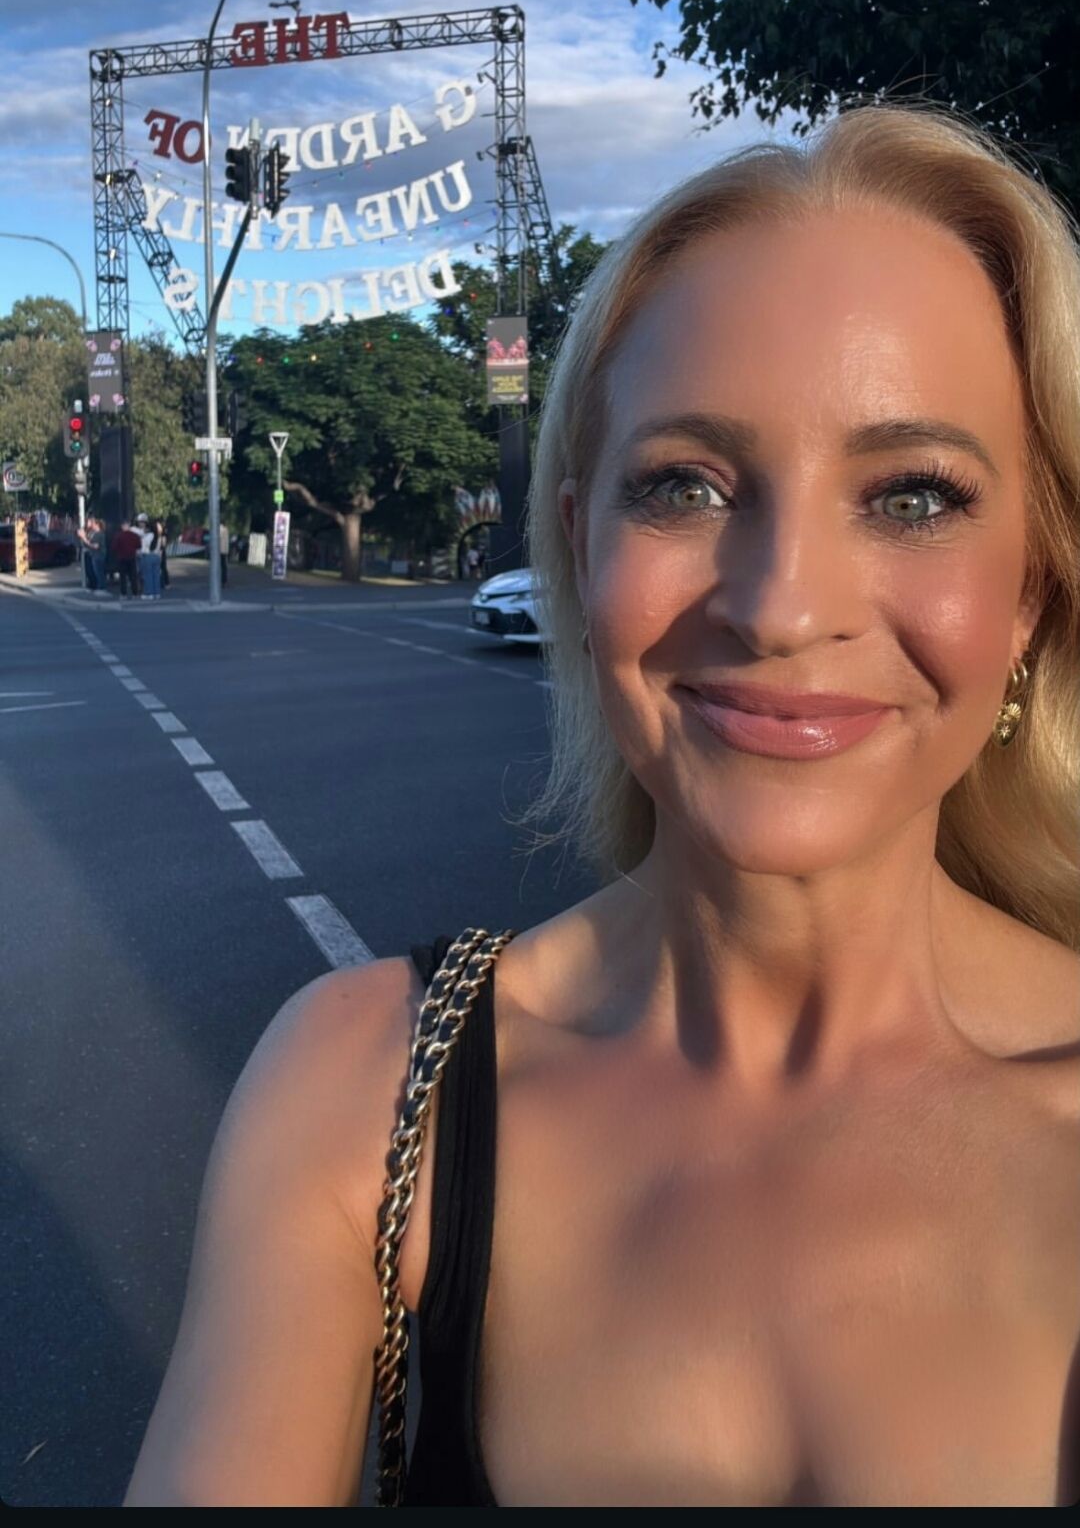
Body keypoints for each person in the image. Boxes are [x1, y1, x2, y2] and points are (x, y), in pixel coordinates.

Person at [123, 103, 1080, 1509]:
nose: (781, 606)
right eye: (685, 485)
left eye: (914, 497)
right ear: (579, 549)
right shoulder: (358, 1093)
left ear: (1031, 593)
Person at [111, 519, 141, 600]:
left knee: (123, 577)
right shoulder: (134, 536)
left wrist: (118, 552)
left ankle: (123, 593)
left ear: (122, 526)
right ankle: (135, 593)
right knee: (133, 576)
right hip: (132, 557)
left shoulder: (118, 536)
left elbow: (114, 547)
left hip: (122, 558)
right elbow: (139, 545)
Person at [135, 515, 161, 599]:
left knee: (147, 576)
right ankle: (156, 593)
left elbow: (144, 546)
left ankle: (148, 593)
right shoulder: (157, 536)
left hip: (147, 555)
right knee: (155, 576)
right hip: (156, 555)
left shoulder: (147, 535)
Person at [76, 517, 104, 592]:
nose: (88, 524)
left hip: (95, 554)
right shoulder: (90, 532)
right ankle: (93, 585)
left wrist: (84, 537)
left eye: (90, 522)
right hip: (90, 553)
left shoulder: (98, 533)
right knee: (90, 570)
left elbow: (93, 544)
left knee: (96, 571)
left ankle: (98, 586)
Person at [152, 518, 169, 592]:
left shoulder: (163, 535)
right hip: (157, 551)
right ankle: (161, 583)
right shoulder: (155, 535)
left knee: (162, 567)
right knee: (159, 568)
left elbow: (164, 544)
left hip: (161, 551)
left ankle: (165, 582)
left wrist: (161, 549)